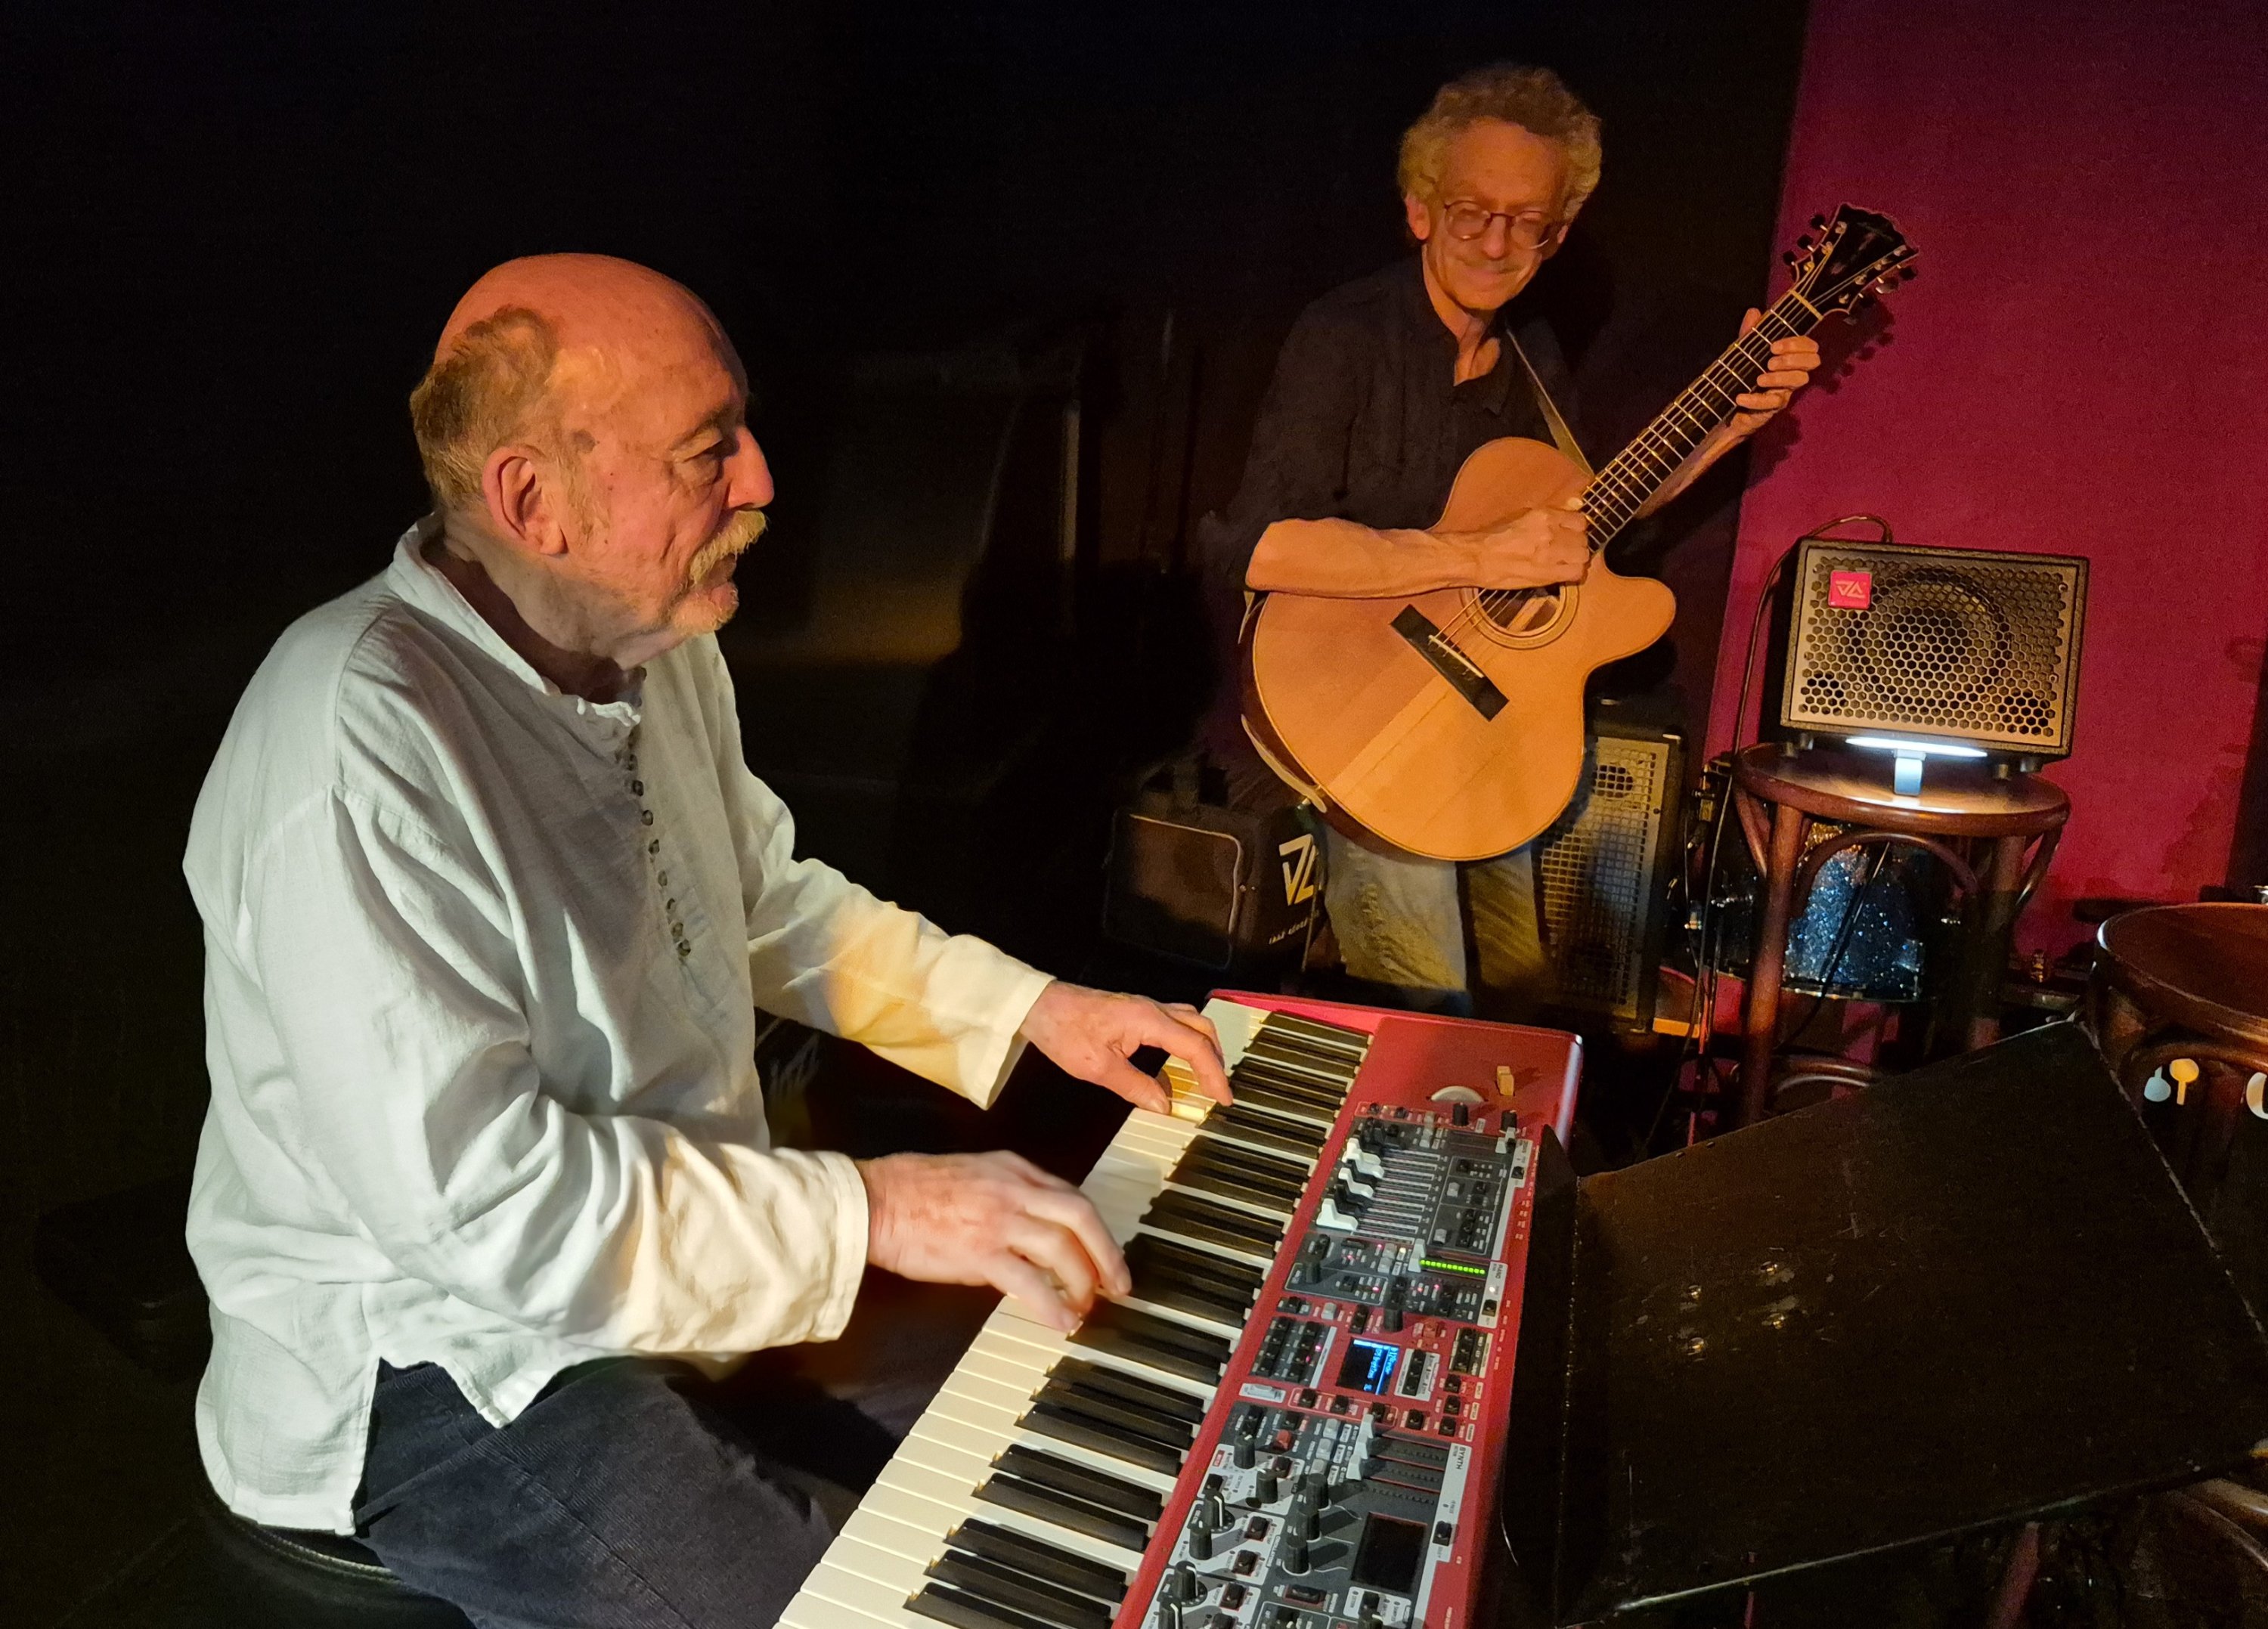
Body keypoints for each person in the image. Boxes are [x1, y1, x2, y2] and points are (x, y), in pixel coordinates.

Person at [181, 252, 1232, 1629]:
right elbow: (480, 1210)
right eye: (707, 450)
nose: (762, 481)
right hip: (439, 1360)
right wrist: (881, 1210)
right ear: (533, 501)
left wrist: (1037, 1010)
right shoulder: (356, 736)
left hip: (665, 1255)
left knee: (1088, 1399)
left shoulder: (654, 640)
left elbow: (761, 901)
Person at [1209, 63, 1820, 1017]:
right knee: (1435, 1020)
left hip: (1472, 729)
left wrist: (1727, 430)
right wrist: (1477, 555)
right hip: (1338, 723)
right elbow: (1259, 549)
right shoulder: (1346, 336)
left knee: (1521, 998)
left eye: (1526, 221)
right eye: (1471, 213)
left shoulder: (1530, 351)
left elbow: (1580, 523)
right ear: (1420, 210)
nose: (1496, 244)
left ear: (1557, 234)